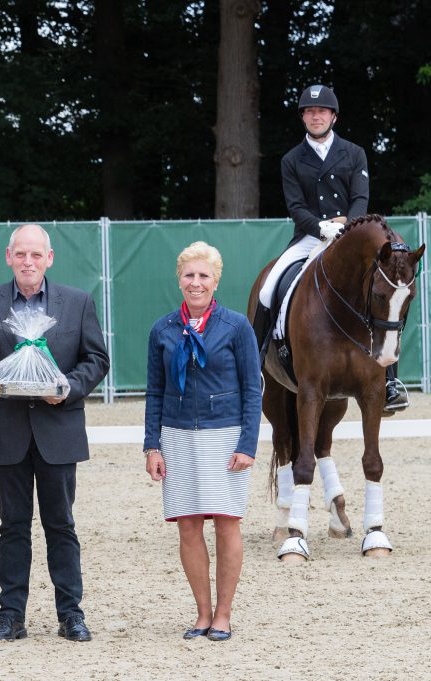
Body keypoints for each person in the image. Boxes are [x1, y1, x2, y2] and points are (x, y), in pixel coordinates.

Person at [0, 224, 110, 643]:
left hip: (57, 432)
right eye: (21, 254)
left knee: (61, 525)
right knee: (13, 527)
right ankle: (11, 615)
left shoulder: (76, 303)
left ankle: (71, 613)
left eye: (36, 255)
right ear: (9, 257)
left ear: (50, 258)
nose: (29, 262)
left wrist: (67, 387)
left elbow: (97, 359)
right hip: (5, 434)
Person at [253, 84, 403, 411]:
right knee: (267, 289)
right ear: (303, 117)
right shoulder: (292, 159)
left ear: (333, 115)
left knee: (390, 288)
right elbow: (295, 206)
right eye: (309, 111)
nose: (315, 116)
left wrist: (347, 228)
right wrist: (321, 227)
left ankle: (391, 379)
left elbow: (360, 198)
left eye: (321, 111)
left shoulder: (354, 153)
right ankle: (255, 369)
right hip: (310, 236)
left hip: (350, 237)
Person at [143, 241, 262, 642]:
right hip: (177, 437)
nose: (196, 283)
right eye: (189, 275)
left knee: (228, 525)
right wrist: (152, 445)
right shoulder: (162, 329)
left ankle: (224, 614)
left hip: (225, 435)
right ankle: (201, 613)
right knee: (188, 527)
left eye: (203, 276)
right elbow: (154, 391)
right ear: (179, 280)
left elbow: (252, 388)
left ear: (216, 281)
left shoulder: (236, 327)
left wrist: (248, 443)